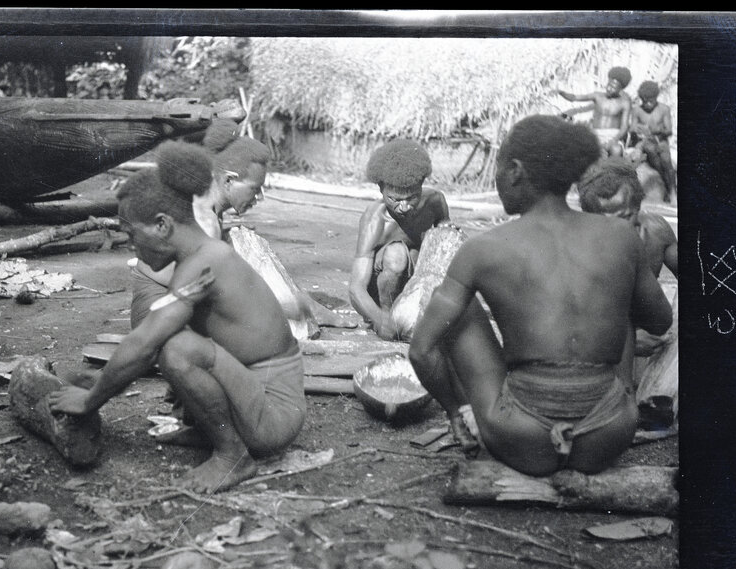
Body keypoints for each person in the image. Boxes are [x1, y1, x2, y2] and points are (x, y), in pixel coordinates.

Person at [408, 115, 673, 476]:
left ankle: (476, 418)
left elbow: (421, 349)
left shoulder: (482, 249)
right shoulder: (621, 237)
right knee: (622, 302)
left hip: (521, 437)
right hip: (608, 433)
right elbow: (660, 320)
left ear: (515, 171)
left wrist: (456, 411)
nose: (498, 178)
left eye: (499, 168)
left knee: (459, 309)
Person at [48, 142, 306, 493]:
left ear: (161, 225)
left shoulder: (205, 261)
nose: (131, 246)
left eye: (130, 234)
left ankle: (233, 456)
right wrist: (102, 378)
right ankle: (208, 430)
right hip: (254, 393)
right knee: (169, 337)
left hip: (273, 417)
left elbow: (145, 343)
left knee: (176, 348)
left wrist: (91, 399)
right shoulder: (197, 259)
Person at [130, 118, 357, 331]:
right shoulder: (204, 221)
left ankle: (305, 307)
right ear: (229, 180)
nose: (259, 197)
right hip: (157, 316)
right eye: (254, 188)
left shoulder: (202, 205)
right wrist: (278, 306)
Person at [349, 139, 450, 340]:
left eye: (411, 198)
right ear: (380, 189)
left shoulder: (435, 201)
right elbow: (356, 288)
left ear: (421, 186)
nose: (403, 207)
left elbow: (446, 242)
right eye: (395, 200)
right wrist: (380, 318)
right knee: (396, 255)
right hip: (382, 290)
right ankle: (389, 314)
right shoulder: (374, 221)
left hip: (415, 278)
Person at [578, 157, 678, 356]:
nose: (614, 227)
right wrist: (628, 342)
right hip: (598, 346)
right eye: (602, 220)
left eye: (624, 217)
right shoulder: (577, 246)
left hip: (650, 338)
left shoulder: (656, 233)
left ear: (638, 208)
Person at [557, 66, 633, 158]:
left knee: (616, 150)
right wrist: (560, 92)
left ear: (620, 89)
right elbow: (574, 98)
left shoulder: (624, 102)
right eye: (608, 85)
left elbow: (624, 127)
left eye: (613, 87)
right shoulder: (597, 96)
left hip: (613, 135)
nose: (609, 89)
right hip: (596, 134)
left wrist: (612, 141)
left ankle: (613, 170)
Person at [628, 80, 677, 203]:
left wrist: (656, 130)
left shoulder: (664, 109)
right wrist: (638, 130)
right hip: (646, 142)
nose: (648, 104)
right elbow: (632, 128)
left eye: (651, 100)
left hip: (661, 141)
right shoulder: (637, 110)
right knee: (650, 150)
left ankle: (672, 193)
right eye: (644, 101)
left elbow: (669, 130)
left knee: (666, 159)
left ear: (656, 97)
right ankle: (669, 187)